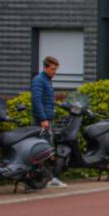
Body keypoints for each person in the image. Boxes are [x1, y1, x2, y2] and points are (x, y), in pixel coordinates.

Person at [32, 55, 67, 188]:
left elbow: (46, 100)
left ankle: (45, 177)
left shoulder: (46, 80)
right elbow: (37, 101)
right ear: (45, 67)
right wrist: (43, 119)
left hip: (46, 119)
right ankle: (48, 178)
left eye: (56, 69)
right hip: (42, 121)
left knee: (45, 149)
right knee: (44, 150)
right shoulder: (39, 80)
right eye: (52, 69)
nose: (55, 72)